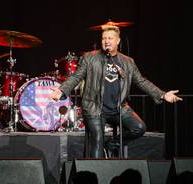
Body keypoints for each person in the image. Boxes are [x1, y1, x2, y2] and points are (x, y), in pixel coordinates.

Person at [50, 25, 182, 158]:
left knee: (139, 127)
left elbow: (141, 81)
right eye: (104, 38)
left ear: (118, 41)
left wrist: (162, 94)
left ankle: (112, 144)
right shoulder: (90, 58)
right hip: (94, 108)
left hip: (119, 108)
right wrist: (62, 90)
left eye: (110, 38)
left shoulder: (128, 62)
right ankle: (97, 173)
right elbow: (76, 76)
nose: (107, 41)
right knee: (97, 142)